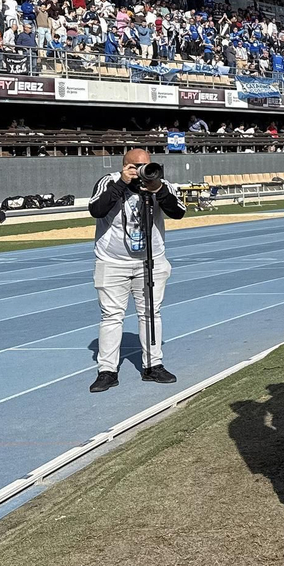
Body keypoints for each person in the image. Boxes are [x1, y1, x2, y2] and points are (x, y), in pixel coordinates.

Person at [87, 148, 186, 392]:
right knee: (111, 316)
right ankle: (107, 370)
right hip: (112, 261)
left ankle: (153, 365)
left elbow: (179, 212)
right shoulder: (109, 181)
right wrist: (123, 182)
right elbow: (96, 210)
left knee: (152, 313)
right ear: (125, 165)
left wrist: (158, 190)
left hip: (151, 260)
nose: (142, 170)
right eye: (136, 166)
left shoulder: (159, 184)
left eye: (147, 165)